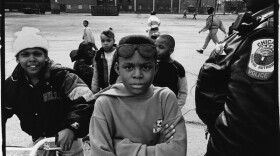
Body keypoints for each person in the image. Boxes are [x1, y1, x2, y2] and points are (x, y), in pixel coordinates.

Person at [195, 0, 278, 156]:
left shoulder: (267, 31)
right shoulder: (261, 20)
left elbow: (246, 121)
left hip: (229, 146)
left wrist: (220, 147)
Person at [89, 35, 187, 156]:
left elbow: (177, 151)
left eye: (146, 67)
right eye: (129, 67)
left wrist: (120, 148)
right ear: (118, 69)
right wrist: (157, 147)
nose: (137, 74)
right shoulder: (105, 103)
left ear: (155, 69)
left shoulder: (165, 98)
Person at [4, 27, 95, 156]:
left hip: (68, 138)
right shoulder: (11, 85)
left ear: (46, 56)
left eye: (37, 53)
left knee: (72, 152)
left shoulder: (62, 76)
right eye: (25, 54)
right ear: (17, 58)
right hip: (41, 139)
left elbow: (86, 100)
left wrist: (71, 127)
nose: (32, 59)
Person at [153, 34, 188, 108]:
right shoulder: (151, 65)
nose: (156, 50)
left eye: (161, 47)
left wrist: (176, 108)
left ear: (171, 50)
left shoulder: (177, 68)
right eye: (155, 46)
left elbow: (182, 92)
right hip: (151, 107)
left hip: (169, 107)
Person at [91, 28, 119, 94]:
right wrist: (95, 89)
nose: (105, 43)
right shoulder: (98, 55)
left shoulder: (119, 53)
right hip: (104, 88)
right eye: (103, 41)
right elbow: (96, 72)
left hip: (117, 86)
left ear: (114, 41)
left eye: (108, 41)